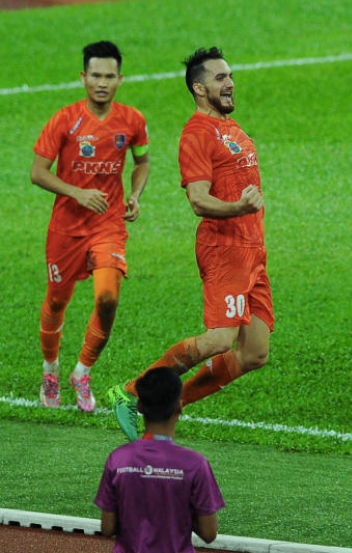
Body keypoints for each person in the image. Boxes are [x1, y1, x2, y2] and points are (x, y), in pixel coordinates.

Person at [108, 46, 273, 441]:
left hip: (253, 252)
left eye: (230, 76)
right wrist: (238, 207)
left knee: (254, 353)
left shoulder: (233, 129)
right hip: (224, 249)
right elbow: (199, 200)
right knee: (219, 340)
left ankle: (169, 405)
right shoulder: (197, 133)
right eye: (220, 78)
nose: (230, 83)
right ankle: (130, 391)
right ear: (200, 89)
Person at [31, 40, 150, 412]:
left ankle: (82, 372)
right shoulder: (65, 120)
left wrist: (135, 194)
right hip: (66, 227)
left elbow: (142, 162)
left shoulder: (133, 121)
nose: (102, 83)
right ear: (83, 77)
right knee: (56, 300)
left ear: (120, 79)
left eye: (109, 76)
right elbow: (38, 172)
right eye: (96, 75)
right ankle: (51, 369)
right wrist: (77, 193)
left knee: (108, 298)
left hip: (108, 223)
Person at [95, 366, 225, 552]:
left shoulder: (118, 459)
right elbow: (209, 533)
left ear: (139, 407)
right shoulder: (195, 464)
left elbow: (108, 528)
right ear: (179, 407)